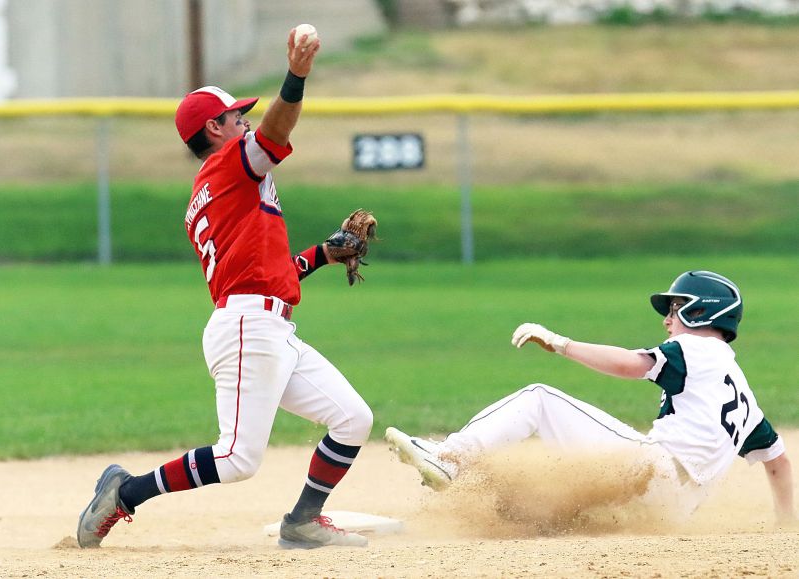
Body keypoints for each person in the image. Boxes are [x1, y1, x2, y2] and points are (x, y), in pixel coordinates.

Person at [77, 27, 374, 550]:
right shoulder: (227, 166)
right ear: (215, 129)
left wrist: (322, 256)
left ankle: (302, 521)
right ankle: (125, 493)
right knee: (238, 459)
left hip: (267, 323)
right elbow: (277, 133)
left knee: (352, 418)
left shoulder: (218, 186)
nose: (247, 122)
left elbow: (264, 273)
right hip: (248, 327)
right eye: (238, 117)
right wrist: (297, 75)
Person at [386, 270, 795, 523]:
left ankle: (449, 459)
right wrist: (785, 523)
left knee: (538, 397)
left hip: (651, 470)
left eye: (675, 308)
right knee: (560, 509)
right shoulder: (744, 397)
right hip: (672, 512)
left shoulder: (696, 349)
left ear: (702, 312)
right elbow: (778, 463)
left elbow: (631, 365)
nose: (668, 319)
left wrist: (560, 342)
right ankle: (518, 513)